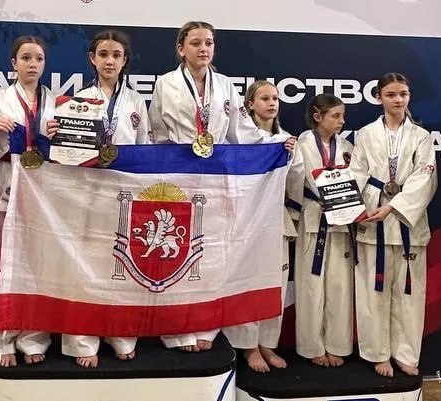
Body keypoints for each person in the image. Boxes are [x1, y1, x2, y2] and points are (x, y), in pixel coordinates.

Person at [149, 21, 271, 351]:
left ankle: (206, 325)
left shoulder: (225, 85)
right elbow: (156, 133)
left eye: (209, 43)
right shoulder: (166, 83)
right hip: (178, 175)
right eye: (196, 43)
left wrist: (274, 144)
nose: (204, 49)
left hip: (216, 177)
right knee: (177, 250)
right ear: (181, 49)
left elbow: (240, 131)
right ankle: (176, 328)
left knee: (212, 252)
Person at [66, 29, 150, 366]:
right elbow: (69, 151)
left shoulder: (136, 102)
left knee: (122, 264)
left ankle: (121, 333)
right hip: (88, 191)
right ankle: (83, 339)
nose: (110, 61)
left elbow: (145, 150)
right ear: (92, 58)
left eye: (116, 55)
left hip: (124, 192)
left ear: (124, 60)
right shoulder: (79, 99)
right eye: (103, 54)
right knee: (85, 264)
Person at [0, 34, 57, 366]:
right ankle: (1, 335)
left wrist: (60, 135)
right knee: (2, 260)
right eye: (25, 58)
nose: (32, 64)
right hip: (5, 181)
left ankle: (34, 335)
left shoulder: (58, 104)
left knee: (38, 259)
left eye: (38, 58)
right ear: (14, 63)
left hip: (44, 185)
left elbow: (71, 151)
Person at [350, 72, 437, 378]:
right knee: (373, 292)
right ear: (379, 98)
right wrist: (364, 206)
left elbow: (425, 177)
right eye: (391, 94)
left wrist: (392, 207)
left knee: (409, 294)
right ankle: (377, 353)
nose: (398, 100)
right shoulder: (365, 134)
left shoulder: (421, 136)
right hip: (373, 218)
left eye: (403, 94)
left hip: (406, 223)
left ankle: (406, 353)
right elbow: (357, 172)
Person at [224, 80, 297, 371]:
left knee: (275, 284)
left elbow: (296, 183)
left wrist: (291, 155)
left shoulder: (287, 140)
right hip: (246, 220)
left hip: (276, 219)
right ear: (250, 105)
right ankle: (248, 346)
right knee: (249, 282)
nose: (272, 103)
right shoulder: (238, 140)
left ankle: (267, 343)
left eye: (275, 98)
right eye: (265, 98)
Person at [288, 94, 355, 368]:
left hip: (340, 222)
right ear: (318, 117)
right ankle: (312, 346)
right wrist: (302, 209)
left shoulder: (347, 147)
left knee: (339, 286)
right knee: (310, 287)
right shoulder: (302, 143)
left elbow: (355, 179)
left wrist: (346, 204)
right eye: (335, 116)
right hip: (313, 219)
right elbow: (294, 179)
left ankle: (337, 344)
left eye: (342, 116)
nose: (341, 121)